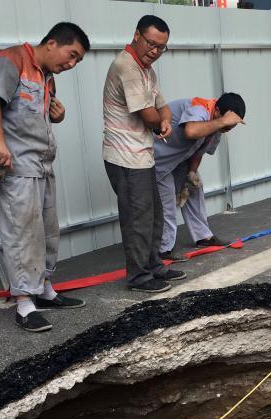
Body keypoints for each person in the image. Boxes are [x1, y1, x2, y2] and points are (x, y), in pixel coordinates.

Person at [0, 22, 90, 332]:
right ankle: (24, 304)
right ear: (52, 43)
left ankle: (44, 290)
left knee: (47, 231)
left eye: (77, 61)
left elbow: (37, 114)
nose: (71, 64)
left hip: (42, 163)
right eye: (71, 55)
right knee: (21, 233)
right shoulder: (11, 60)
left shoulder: (48, 77)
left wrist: (60, 114)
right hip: (16, 167)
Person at [102, 15, 186, 293]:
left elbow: (164, 108)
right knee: (138, 217)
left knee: (154, 214)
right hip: (124, 156)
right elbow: (148, 114)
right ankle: (138, 277)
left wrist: (162, 120)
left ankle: (153, 266)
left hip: (143, 154)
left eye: (162, 47)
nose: (155, 51)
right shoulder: (126, 66)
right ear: (137, 35)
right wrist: (159, 121)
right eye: (151, 43)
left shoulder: (146, 70)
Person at [155, 94, 246, 260]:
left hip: (177, 161)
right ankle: (163, 250)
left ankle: (203, 237)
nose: (229, 128)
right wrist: (223, 122)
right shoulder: (200, 108)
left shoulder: (218, 127)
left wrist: (191, 174)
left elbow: (199, 151)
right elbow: (191, 131)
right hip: (157, 161)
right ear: (217, 110)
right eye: (228, 123)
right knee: (167, 199)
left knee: (194, 188)